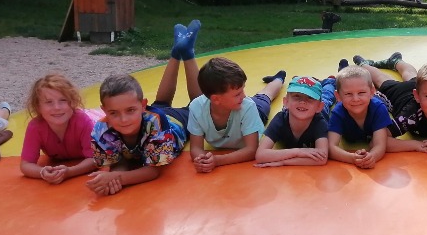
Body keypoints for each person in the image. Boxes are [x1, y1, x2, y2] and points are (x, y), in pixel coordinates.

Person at [87, 20, 203, 195]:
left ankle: (186, 52)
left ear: (143, 106)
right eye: (114, 113)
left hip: (175, 121)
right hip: (152, 116)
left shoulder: (155, 121)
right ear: (104, 111)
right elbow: (119, 162)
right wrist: (113, 177)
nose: (123, 119)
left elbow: (153, 171)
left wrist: (117, 178)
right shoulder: (101, 129)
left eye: (130, 110)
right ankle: (176, 51)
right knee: (161, 104)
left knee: (197, 105)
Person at [187, 55, 285, 173]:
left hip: (255, 112)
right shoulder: (196, 108)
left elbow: (252, 150)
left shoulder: (248, 106)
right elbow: (195, 148)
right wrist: (202, 160)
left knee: (265, 96)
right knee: (260, 96)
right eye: (237, 94)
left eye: (242, 90)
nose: (244, 95)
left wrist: (217, 161)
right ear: (216, 99)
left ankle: (279, 78)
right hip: (240, 109)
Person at [20, 72, 103, 184]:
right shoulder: (35, 127)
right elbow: (25, 164)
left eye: (63, 100)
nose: (57, 107)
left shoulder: (83, 122)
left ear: (73, 102)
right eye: (49, 102)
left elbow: (96, 159)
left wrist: (70, 172)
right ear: (38, 107)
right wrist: (42, 172)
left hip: (96, 119)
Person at [326, 62, 394, 169]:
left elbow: (380, 144)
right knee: (345, 80)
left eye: (361, 92)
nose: (355, 99)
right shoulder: (338, 113)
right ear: (338, 96)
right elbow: (330, 147)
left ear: (372, 91)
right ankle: (343, 68)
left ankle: (351, 67)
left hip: (378, 99)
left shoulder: (379, 108)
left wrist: (372, 157)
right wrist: (352, 158)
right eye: (348, 94)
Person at [254, 76, 330, 167]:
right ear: (285, 102)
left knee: (327, 96)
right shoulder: (280, 119)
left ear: (319, 107)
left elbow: (322, 158)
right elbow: (260, 155)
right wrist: (298, 152)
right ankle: (305, 82)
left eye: (310, 97)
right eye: (297, 96)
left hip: (321, 110)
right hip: (291, 110)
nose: (302, 102)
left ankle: (329, 82)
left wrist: (283, 162)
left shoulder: (320, 122)